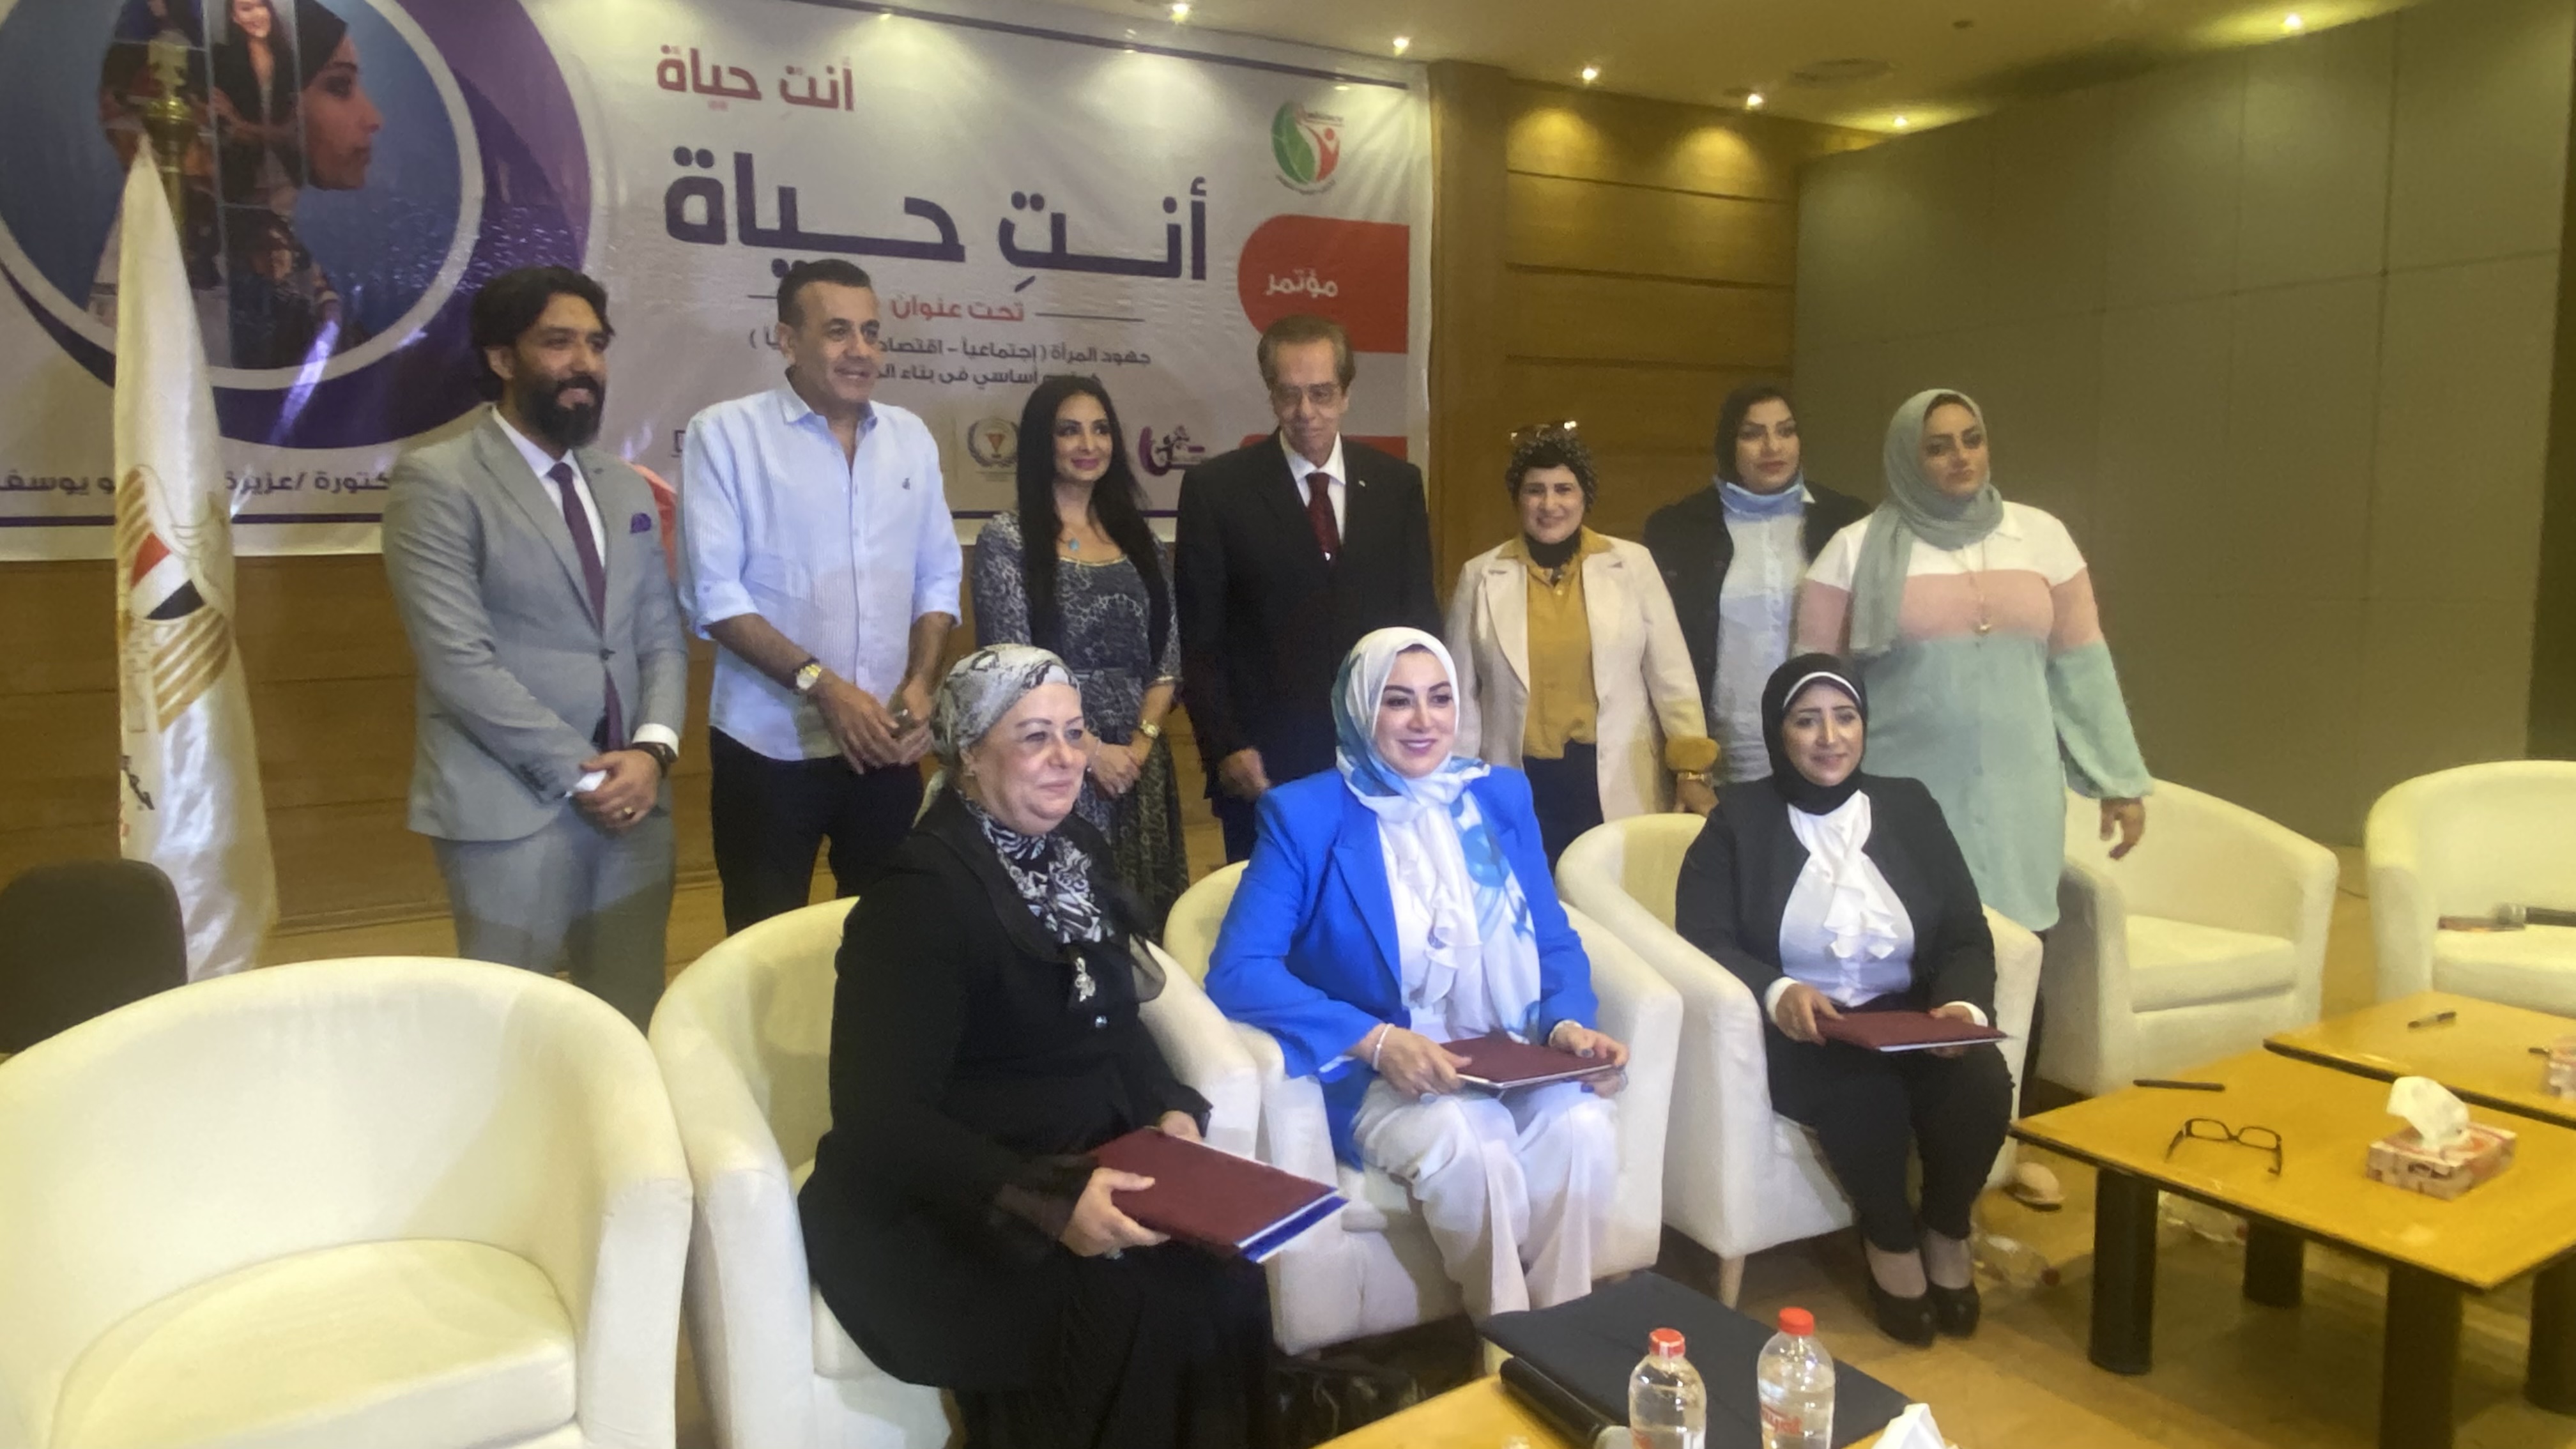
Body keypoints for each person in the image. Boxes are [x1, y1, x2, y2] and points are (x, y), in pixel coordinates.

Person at [799, 646, 1277, 1449]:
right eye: (1033, 737)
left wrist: (1170, 1108)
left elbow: (1113, 1020)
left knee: (1230, 1275)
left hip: (1079, 1154)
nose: (1066, 758)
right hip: (948, 1199)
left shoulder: (1075, 853)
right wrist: (1046, 1204)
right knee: (1129, 1306)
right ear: (969, 755)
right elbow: (879, 1120)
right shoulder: (918, 899)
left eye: (1075, 733)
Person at [1205, 628, 1629, 1319]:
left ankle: (1563, 1329)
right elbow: (1238, 971)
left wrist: (1567, 1026)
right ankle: (1504, 1333)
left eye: (1440, 698)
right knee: (1472, 1141)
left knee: (1583, 1127)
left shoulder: (1497, 796)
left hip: (1510, 1052)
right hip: (1383, 1072)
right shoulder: (1306, 814)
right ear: (1359, 709)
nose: (1424, 720)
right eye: (1398, 701)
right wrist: (1377, 1041)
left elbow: (1552, 938)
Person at [1796, 389, 2150, 1209]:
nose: (1959, 457)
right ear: (1906, 457)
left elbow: (2082, 666)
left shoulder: (2041, 538)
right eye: (1938, 446)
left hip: (2019, 799)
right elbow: (1812, 688)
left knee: (2020, 962)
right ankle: (1920, 1159)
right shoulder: (1853, 551)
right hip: (1905, 808)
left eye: (1971, 439)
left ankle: (2006, 1146)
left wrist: (2118, 779)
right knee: (1916, 971)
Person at [1673, 655, 2012, 1346]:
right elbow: (1702, 938)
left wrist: (1961, 1008)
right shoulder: (1739, 820)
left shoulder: (1910, 806)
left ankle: (1947, 1229)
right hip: (1808, 1029)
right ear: (1779, 733)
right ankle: (1889, 1239)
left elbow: (1965, 932)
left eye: (1845, 717)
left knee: (1980, 1082)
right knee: (1867, 1097)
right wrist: (1778, 990)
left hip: (1910, 1014)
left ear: (1864, 725)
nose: (1830, 738)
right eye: (1807, 721)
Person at [380, 266, 687, 1029]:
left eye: (596, 344)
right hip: (510, 809)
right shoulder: (439, 479)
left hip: (635, 804)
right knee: (509, 1033)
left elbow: (658, 635)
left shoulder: (623, 485)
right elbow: (458, 663)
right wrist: (586, 777)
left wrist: (652, 753)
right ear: (502, 358)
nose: (584, 364)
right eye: (558, 343)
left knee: (629, 1021)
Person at [680, 259, 961, 932]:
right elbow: (714, 595)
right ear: (787, 340)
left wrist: (921, 683)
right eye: (838, 332)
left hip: (886, 746)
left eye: (871, 332)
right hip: (768, 748)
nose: (860, 350)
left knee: (888, 936)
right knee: (762, 944)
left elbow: (938, 575)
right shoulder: (726, 435)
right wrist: (824, 687)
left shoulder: (910, 439)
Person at [1176, 313, 1439, 863]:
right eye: (1289, 394)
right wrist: (1226, 746)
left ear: (1346, 394)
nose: (1306, 412)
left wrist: (1423, 730)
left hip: (1380, 756)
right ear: (1270, 393)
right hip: (1265, 768)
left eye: (1321, 393)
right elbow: (1201, 640)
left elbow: (1419, 622)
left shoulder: (1396, 485)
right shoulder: (1217, 490)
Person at [1445, 424, 1715, 863]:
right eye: (1535, 491)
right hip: (1518, 778)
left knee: (1608, 892)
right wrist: (1455, 784)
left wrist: (1691, 768)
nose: (1549, 504)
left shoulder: (1632, 565)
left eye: (1564, 489)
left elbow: (1671, 676)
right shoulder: (1480, 575)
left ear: (1584, 497)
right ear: (1517, 499)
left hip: (1612, 776)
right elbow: (1461, 696)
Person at [973, 376, 1187, 926]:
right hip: (1056, 762)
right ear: (1042, 443)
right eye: (1069, 431)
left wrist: (1138, 747)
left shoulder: (1140, 538)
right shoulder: (1008, 540)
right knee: (1070, 924)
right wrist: (1090, 752)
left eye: (1100, 429)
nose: (1088, 445)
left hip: (1138, 767)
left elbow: (1167, 657)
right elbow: (1012, 672)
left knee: (1146, 924)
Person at [1644, 383, 1869, 786]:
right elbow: (1661, 651)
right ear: (1728, 444)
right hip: (1726, 745)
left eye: (1786, 431)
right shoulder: (1679, 528)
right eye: (1753, 434)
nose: (1773, 447)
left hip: (1827, 740)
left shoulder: (1846, 521)